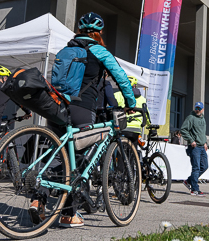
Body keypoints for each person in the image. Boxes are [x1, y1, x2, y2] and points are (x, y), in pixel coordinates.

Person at [36, 12, 136, 228]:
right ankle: (68, 215)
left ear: (79, 31)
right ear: (99, 32)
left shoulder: (66, 49)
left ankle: (39, 200)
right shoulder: (99, 50)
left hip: (58, 106)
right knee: (78, 161)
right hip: (82, 108)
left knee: (54, 155)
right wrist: (130, 101)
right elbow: (120, 76)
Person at [106, 74, 147, 142]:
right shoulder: (142, 99)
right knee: (133, 148)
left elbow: (112, 107)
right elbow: (146, 113)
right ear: (135, 86)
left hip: (121, 125)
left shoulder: (117, 94)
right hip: (135, 128)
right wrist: (148, 124)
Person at [180, 103, 209, 196]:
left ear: (203, 110)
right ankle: (194, 189)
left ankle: (188, 181)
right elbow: (183, 130)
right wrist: (191, 140)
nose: (198, 110)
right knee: (196, 167)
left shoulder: (203, 119)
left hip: (202, 146)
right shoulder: (191, 118)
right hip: (195, 147)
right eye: (196, 108)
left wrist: (204, 142)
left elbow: (202, 132)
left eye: (199, 108)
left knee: (204, 166)